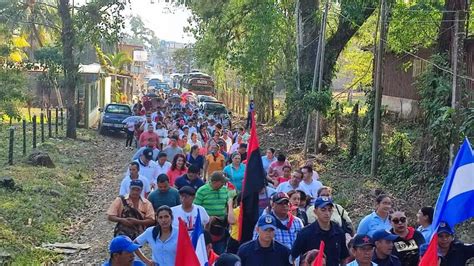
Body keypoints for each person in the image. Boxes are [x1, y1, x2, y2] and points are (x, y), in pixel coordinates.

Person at [291, 197, 349, 266]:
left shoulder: (339, 232)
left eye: (329, 210)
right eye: (323, 210)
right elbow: (292, 256)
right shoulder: (305, 233)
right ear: (315, 211)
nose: (327, 213)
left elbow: (344, 258)